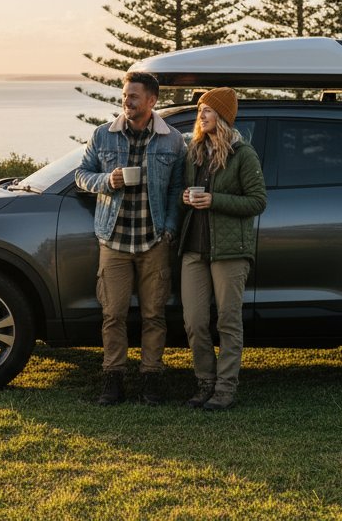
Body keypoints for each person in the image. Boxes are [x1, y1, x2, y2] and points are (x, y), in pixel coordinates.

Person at [75, 71, 185, 406]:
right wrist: (109, 180)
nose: (127, 101)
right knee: (113, 313)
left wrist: (168, 230)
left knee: (154, 315)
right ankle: (114, 379)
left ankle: (151, 380)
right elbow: (82, 176)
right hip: (114, 240)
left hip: (153, 242)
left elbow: (176, 190)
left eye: (134, 96)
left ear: (152, 101)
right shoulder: (102, 136)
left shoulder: (172, 141)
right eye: (125, 95)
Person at [178, 87, 266, 411]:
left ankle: (225, 389)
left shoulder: (244, 155)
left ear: (224, 117)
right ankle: (205, 383)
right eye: (201, 109)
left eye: (208, 110)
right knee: (194, 321)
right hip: (194, 249)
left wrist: (215, 201)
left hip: (230, 252)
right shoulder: (195, 151)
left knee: (228, 321)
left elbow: (258, 201)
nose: (201, 115)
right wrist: (186, 198)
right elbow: (182, 193)